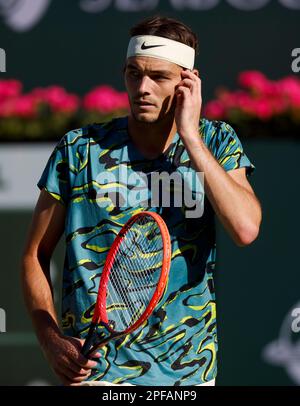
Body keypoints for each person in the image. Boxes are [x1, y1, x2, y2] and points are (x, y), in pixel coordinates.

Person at [21, 15, 262, 386]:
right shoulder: (78, 149)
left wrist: (190, 137)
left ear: (188, 83)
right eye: (134, 73)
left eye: (159, 77)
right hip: (95, 372)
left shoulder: (217, 142)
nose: (142, 88)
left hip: (190, 373)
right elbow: (34, 255)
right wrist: (49, 339)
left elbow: (245, 228)